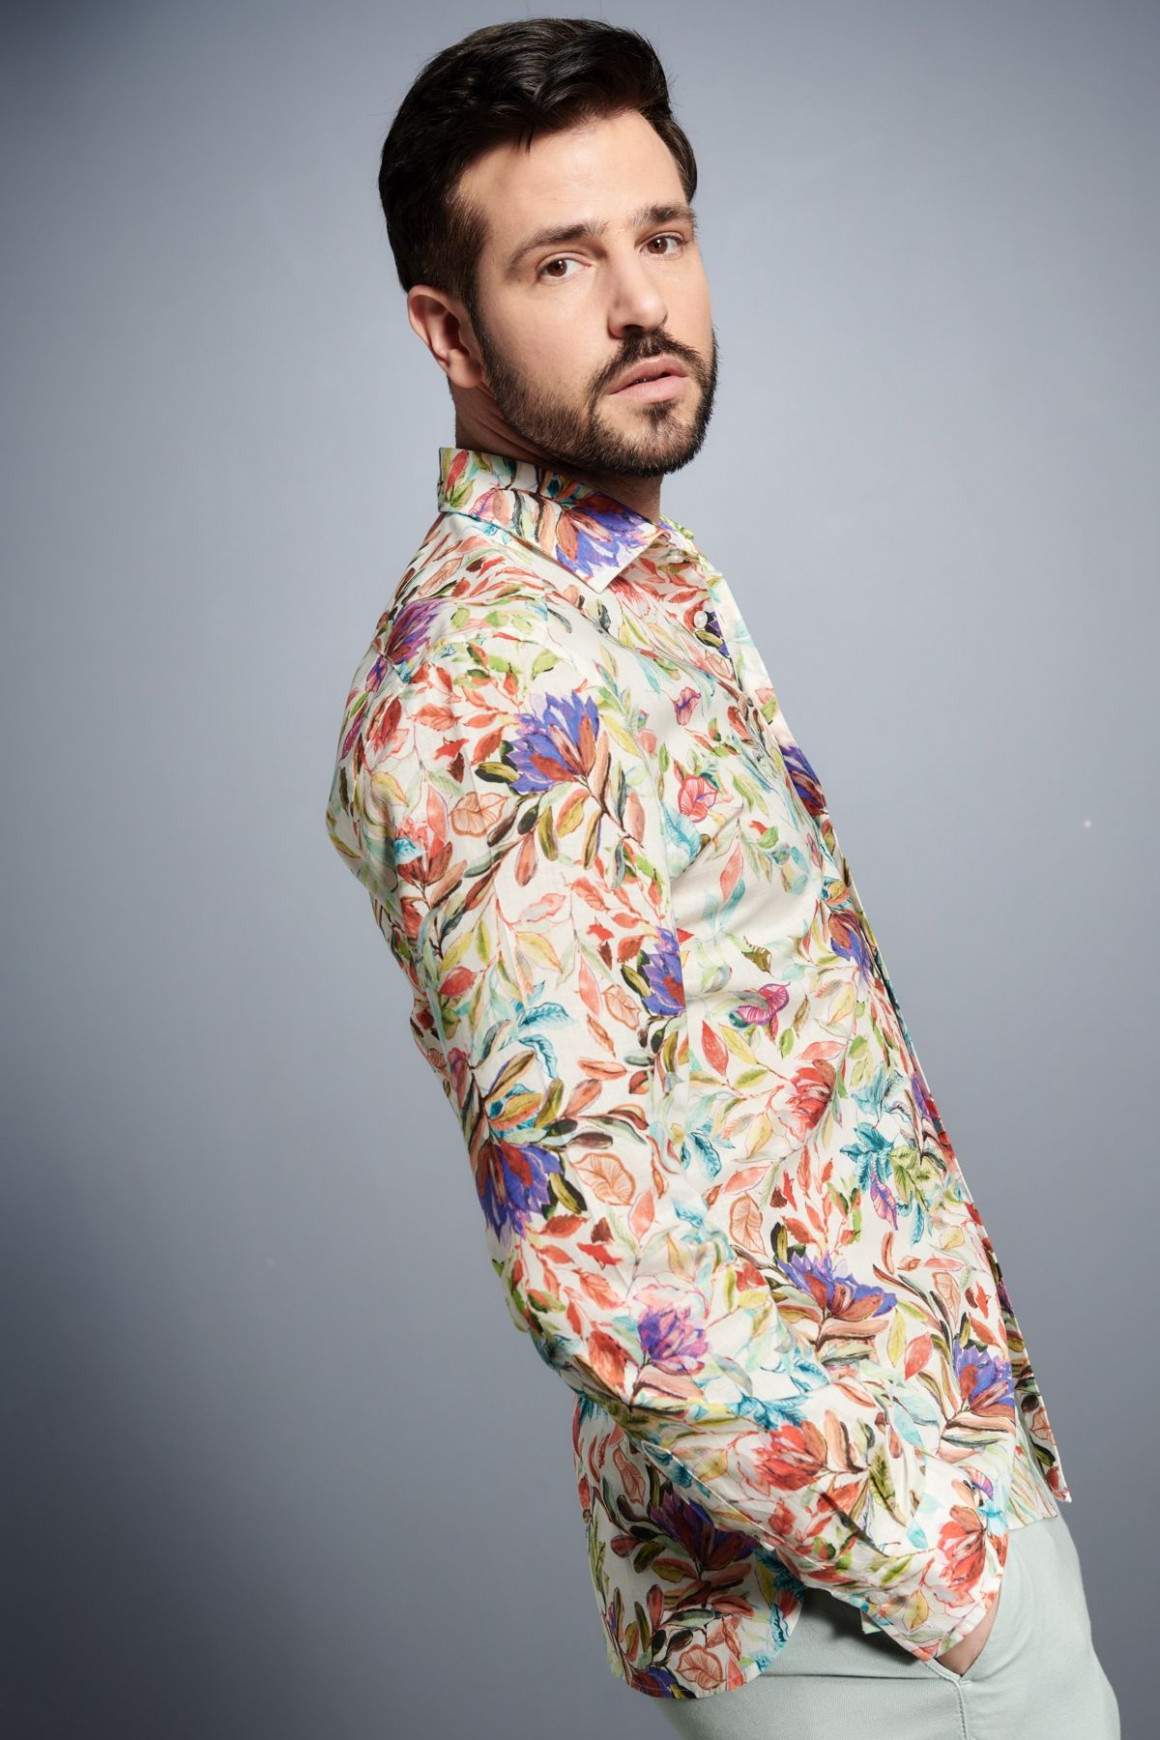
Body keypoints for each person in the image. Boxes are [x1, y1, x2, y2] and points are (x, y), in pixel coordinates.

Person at [323, 18, 1120, 1736]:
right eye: (561, 262)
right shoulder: (485, 680)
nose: (641, 304)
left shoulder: (635, 581)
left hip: (940, 1505)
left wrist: (979, 1489)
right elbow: (592, 1248)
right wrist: (939, 1571)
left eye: (662, 236)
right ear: (447, 332)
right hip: (851, 1612)